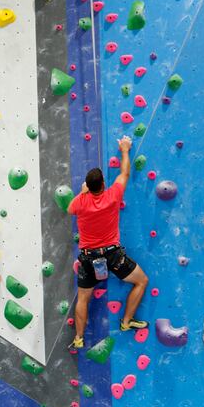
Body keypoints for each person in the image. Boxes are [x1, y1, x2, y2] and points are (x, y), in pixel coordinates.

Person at [67, 135, 149, 350]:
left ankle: (79, 338)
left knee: (83, 298)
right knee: (141, 281)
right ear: (103, 184)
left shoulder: (81, 202)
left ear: (88, 186)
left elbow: (69, 209)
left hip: (88, 258)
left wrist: (83, 192)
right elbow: (124, 173)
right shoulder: (113, 195)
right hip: (112, 255)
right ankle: (126, 321)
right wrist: (124, 150)